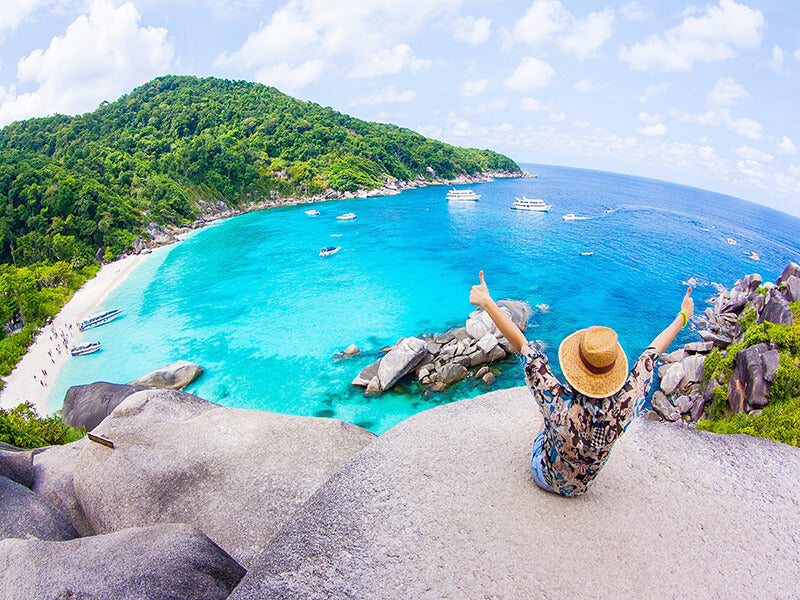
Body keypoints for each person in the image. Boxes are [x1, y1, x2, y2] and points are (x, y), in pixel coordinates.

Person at [469, 270, 694, 497]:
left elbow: (522, 345)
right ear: (613, 371)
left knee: (546, 417)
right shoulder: (627, 403)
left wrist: (487, 303)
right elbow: (651, 354)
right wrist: (682, 316)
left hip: (545, 476)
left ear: (575, 368)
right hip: (582, 487)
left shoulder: (556, 401)